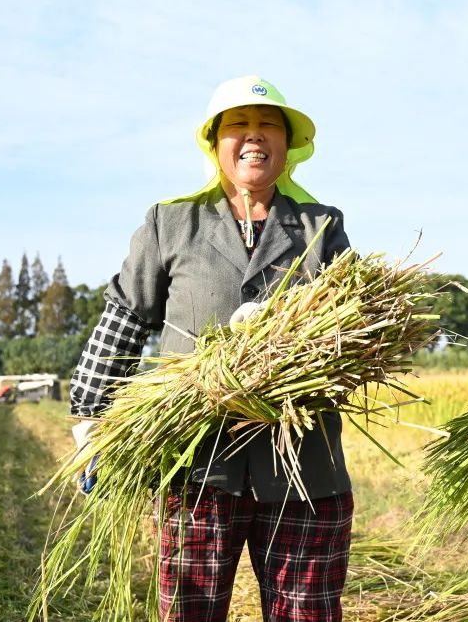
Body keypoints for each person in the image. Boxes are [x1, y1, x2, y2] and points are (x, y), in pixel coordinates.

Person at [69, 76, 354, 621]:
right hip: (196, 467)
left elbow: (354, 332)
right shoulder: (170, 223)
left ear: (288, 144)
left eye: (268, 123)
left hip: (303, 470)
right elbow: (125, 318)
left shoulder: (322, 227)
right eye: (238, 125)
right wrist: (90, 417)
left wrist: (275, 361)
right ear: (214, 143)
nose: (254, 136)